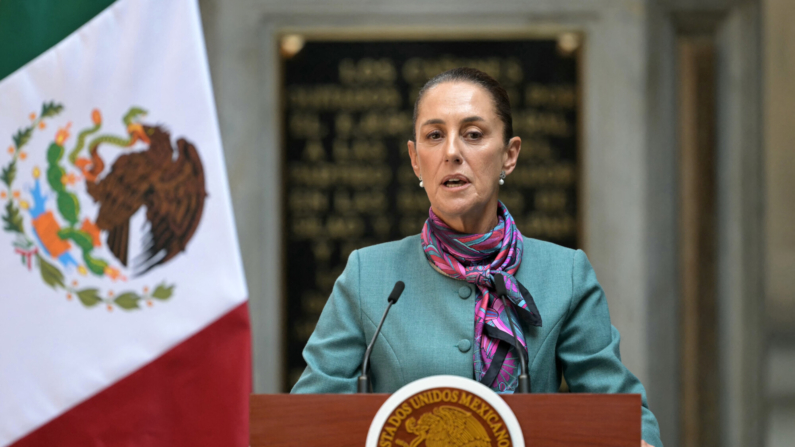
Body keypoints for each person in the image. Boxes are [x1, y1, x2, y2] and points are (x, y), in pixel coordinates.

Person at [291, 67, 662, 447]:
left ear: (509, 155)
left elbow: (619, 412)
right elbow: (306, 419)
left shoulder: (565, 273)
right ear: (416, 159)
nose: (452, 152)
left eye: (473, 135)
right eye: (434, 136)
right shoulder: (368, 274)